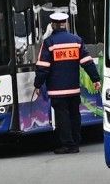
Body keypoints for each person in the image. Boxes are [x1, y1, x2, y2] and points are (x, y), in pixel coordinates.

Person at [34, 9, 88, 154]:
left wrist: (38, 84)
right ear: (65, 23)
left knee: (62, 116)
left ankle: (67, 145)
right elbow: (87, 62)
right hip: (74, 88)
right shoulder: (77, 41)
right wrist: (96, 79)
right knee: (75, 115)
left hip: (57, 90)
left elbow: (43, 66)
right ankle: (75, 143)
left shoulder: (49, 42)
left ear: (52, 25)